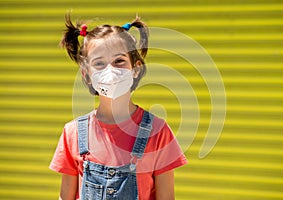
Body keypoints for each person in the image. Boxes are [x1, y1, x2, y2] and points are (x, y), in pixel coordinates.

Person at [49, 13, 187, 200]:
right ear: (86, 74)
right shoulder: (72, 132)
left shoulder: (158, 132)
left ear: (136, 68)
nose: (110, 71)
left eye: (119, 61)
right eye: (99, 63)